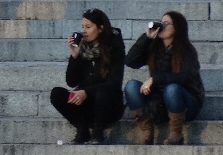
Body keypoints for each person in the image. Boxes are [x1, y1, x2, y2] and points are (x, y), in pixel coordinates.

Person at [124, 11, 205, 145]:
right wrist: (147, 38)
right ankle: (146, 131)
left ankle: (176, 133)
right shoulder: (154, 48)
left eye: (166, 24)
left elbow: (185, 77)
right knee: (131, 86)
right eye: (161, 22)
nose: (162, 26)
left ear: (177, 27)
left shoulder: (187, 50)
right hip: (159, 103)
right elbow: (130, 62)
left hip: (185, 102)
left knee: (172, 89)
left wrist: (155, 79)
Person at [49, 8, 125, 144]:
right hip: (86, 104)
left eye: (88, 27)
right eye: (82, 27)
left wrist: (86, 92)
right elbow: (71, 82)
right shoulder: (84, 48)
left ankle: (97, 133)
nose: (83, 31)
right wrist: (75, 55)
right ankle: (82, 130)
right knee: (57, 94)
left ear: (101, 28)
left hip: (108, 105)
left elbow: (113, 83)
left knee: (103, 92)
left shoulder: (114, 47)